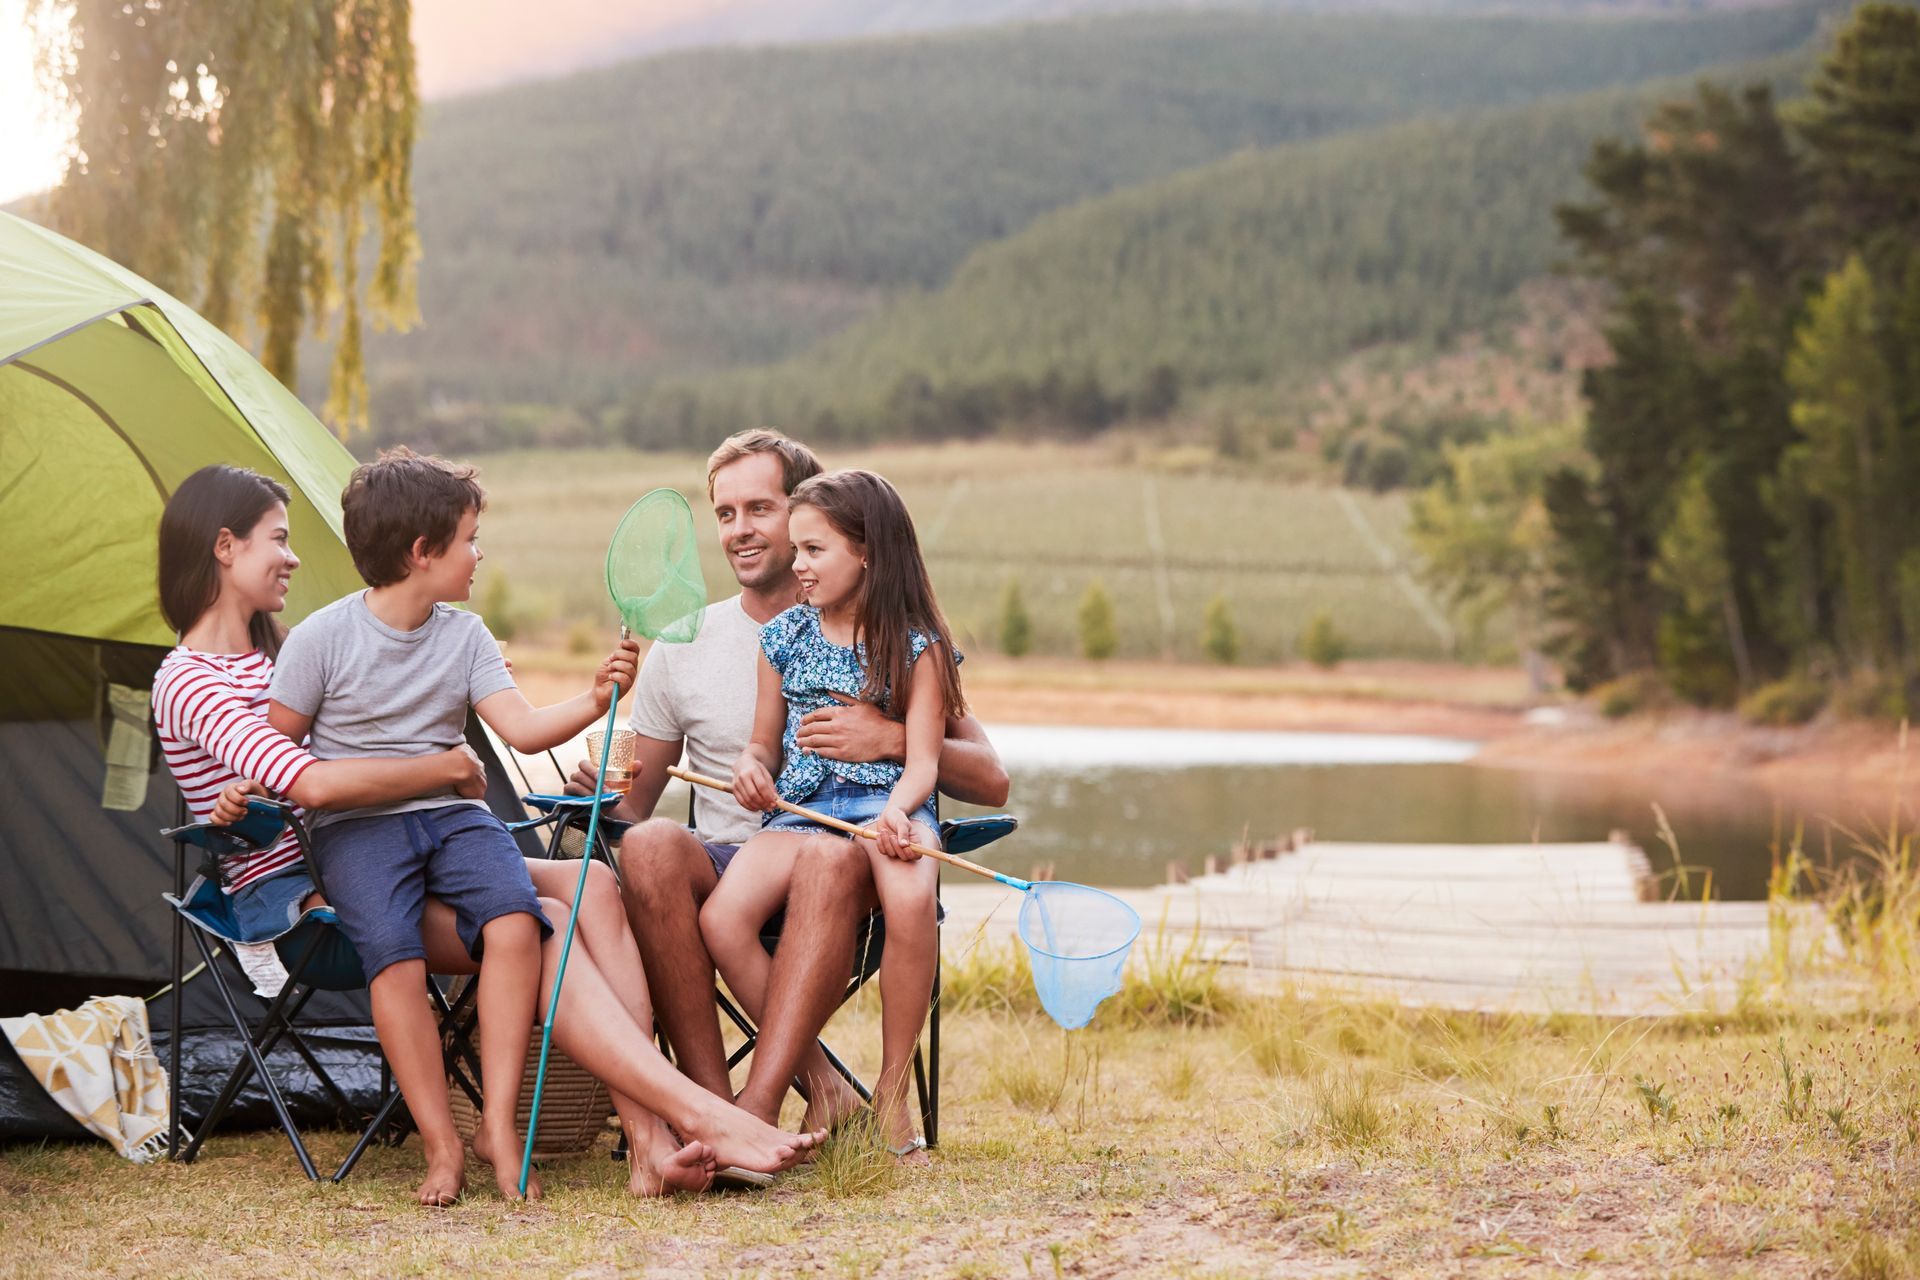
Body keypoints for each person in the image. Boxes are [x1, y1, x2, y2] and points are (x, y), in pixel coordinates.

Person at [250, 450, 820, 1202]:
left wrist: (594, 699)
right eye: (469, 540)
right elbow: (275, 743)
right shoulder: (322, 639)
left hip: (454, 820)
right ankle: (442, 1143)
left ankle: (503, 1125)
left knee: (520, 922)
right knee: (392, 955)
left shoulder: (466, 636)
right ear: (423, 553)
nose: (479, 553)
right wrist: (243, 793)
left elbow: (520, 730)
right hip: (358, 832)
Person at [568, 430, 1008, 1140]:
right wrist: (595, 785)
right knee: (649, 846)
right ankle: (718, 1108)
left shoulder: (892, 637)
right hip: (739, 858)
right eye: (724, 513)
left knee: (826, 857)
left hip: (847, 852)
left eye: (760, 509)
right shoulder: (684, 643)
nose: (740, 530)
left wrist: (890, 738)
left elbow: (992, 779)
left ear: (811, 514)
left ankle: (765, 1099)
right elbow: (632, 806)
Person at [703, 468, 962, 1163]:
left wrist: (901, 814)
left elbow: (925, 764)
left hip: (885, 805)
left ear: (867, 551)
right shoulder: (784, 637)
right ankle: (814, 1072)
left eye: (814, 550)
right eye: (798, 549)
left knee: (910, 898)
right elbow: (763, 739)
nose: (798, 565)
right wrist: (754, 768)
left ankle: (892, 1088)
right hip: (800, 811)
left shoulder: (917, 645)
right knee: (722, 920)